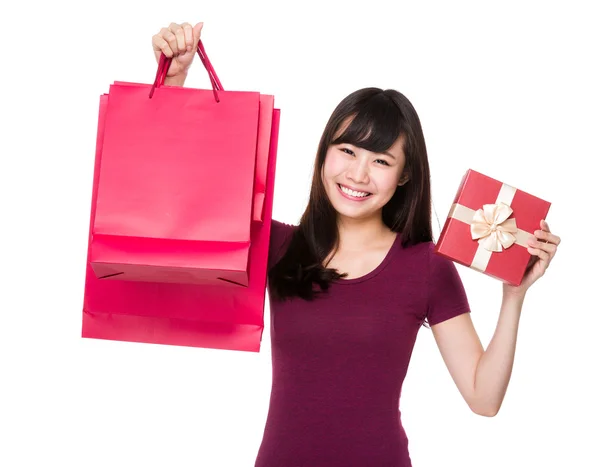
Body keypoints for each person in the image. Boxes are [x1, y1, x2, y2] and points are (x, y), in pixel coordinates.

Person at [151, 22, 561, 467]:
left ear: (404, 176)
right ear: (325, 152)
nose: (358, 175)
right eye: (347, 151)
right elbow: (182, 207)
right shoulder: (278, 246)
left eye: (381, 160)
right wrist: (175, 85)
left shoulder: (426, 266)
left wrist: (514, 297)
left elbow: (484, 398)